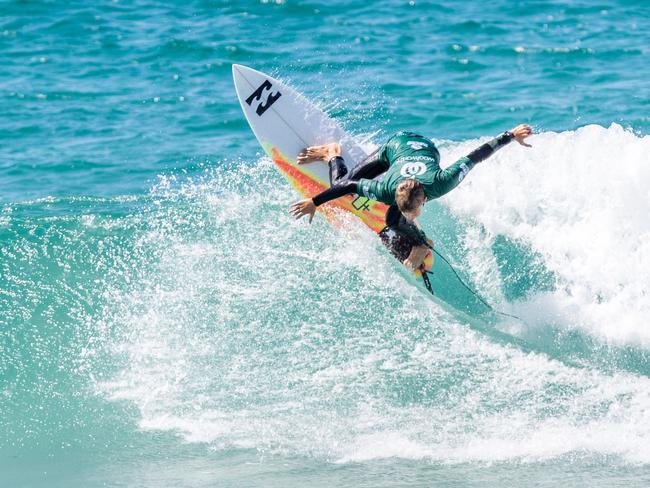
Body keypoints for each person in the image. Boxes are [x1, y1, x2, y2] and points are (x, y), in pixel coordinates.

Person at [289, 124, 533, 270]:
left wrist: (510, 135)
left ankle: (420, 242)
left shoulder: (443, 181)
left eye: (412, 212)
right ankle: (332, 152)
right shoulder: (384, 188)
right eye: (408, 211)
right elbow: (348, 187)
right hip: (395, 146)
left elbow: (476, 156)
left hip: (426, 147)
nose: (412, 216)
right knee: (344, 186)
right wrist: (315, 202)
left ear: (423, 200)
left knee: (393, 220)